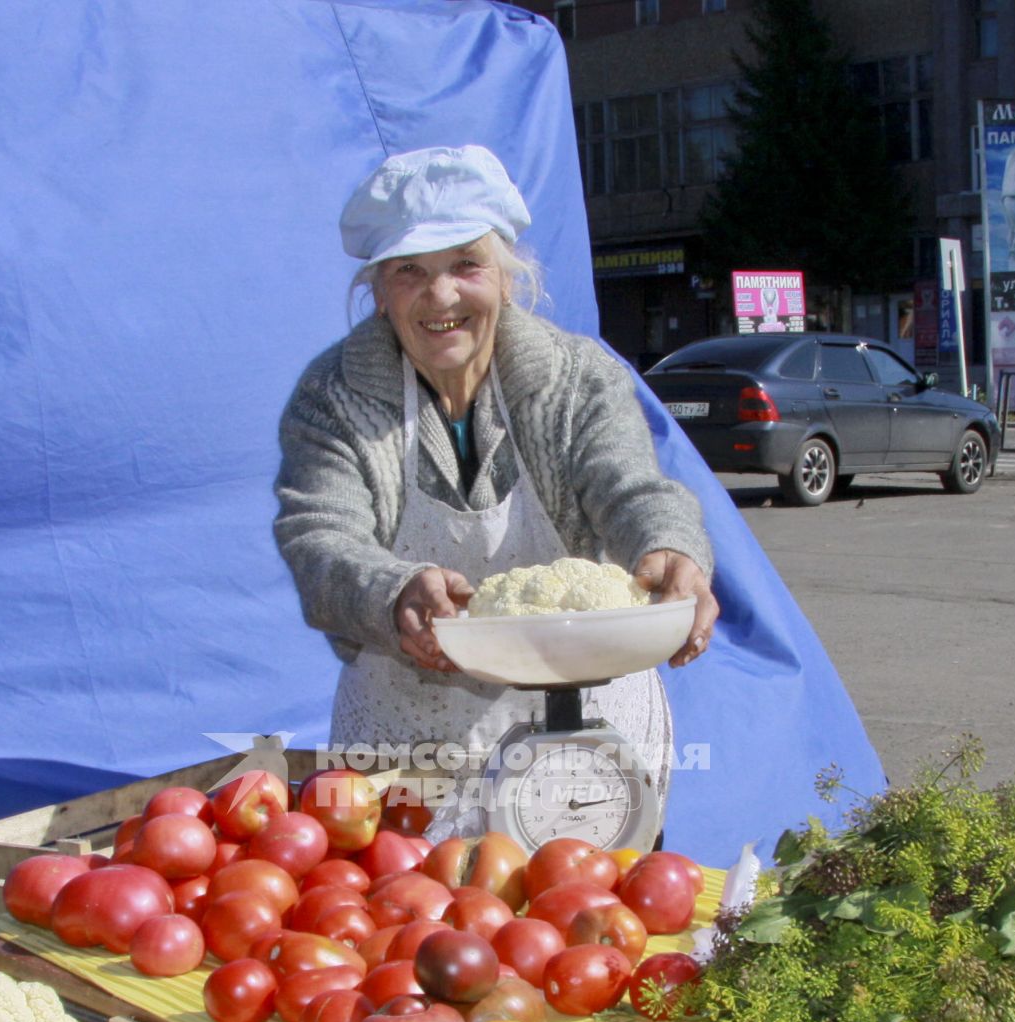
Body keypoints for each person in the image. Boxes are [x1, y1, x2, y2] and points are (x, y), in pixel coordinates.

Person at [272, 145, 717, 822]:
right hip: (407, 741)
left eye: (465, 265)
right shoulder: (333, 396)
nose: (441, 295)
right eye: (410, 271)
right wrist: (392, 595)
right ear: (378, 290)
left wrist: (671, 547)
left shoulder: (578, 378)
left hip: (587, 734)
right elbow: (320, 537)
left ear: (509, 277)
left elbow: (631, 487)